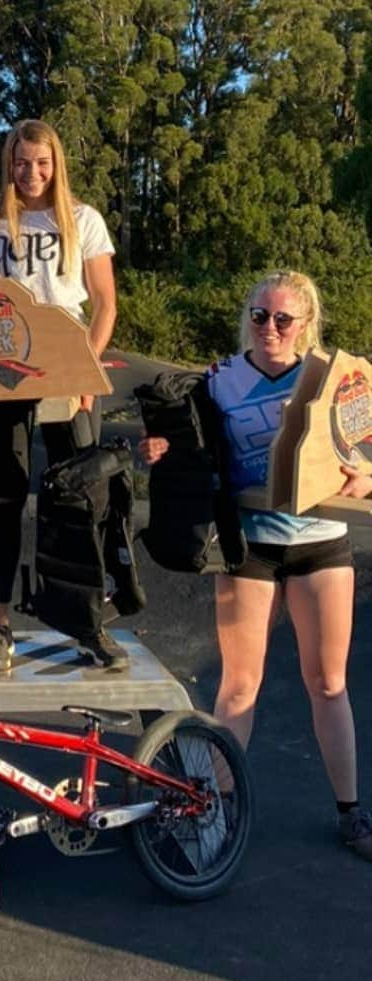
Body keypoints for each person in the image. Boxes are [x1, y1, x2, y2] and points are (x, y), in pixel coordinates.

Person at [140, 270, 372, 861]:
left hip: (321, 542)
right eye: (260, 316)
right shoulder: (219, 380)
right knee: (239, 685)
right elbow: (187, 451)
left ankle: (351, 813)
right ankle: (211, 808)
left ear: (305, 324)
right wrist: (160, 452)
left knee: (328, 683)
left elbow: (366, 458)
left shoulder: (336, 379)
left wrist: (363, 475)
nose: (269, 327)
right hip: (248, 544)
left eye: (282, 319)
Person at [0, 119, 119, 674]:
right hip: (2, 370)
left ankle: (86, 621)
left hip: (67, 365)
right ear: (9, 165)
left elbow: (104, 305)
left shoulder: (84, 220)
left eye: (42, 162)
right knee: (5, 496)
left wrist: (84, 372)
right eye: (22, 162)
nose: (32, 173)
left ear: (57, 163)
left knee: (78, 497)